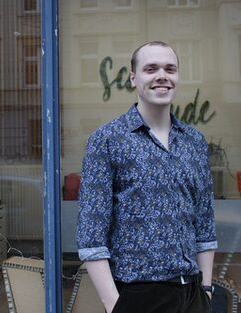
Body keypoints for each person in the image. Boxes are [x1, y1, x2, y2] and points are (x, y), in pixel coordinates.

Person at [76, 41, 217, 313]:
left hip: (193, 293)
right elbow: (91, 236)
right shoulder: (107, 140)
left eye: (170, 68)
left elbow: (205, 224)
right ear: (133, 78)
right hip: (137, 294)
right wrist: (114, 305)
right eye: (150, 68)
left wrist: (207, 291)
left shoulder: (194, 142)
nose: (161, 75)